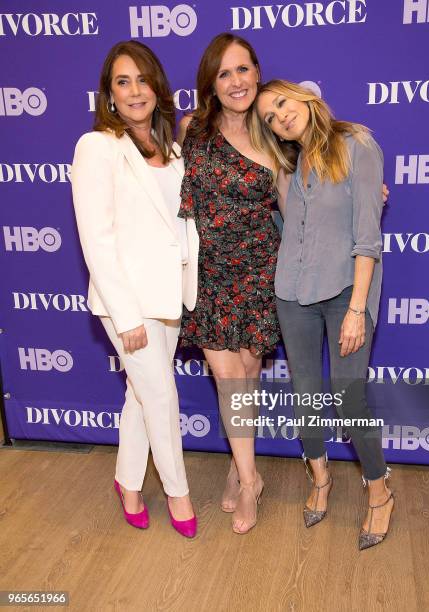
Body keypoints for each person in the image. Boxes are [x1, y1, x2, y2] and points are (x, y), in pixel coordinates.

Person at [252, 79, 394, 550]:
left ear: (305, 97)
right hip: (292, 293)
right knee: (306, 395)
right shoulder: (285, 167)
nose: (279, 117)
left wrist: (357, 308)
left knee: (348, 399)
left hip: (346, 293)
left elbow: (368, 237)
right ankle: (321, 479)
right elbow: (289, 227)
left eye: (281, 103)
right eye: (269, 117)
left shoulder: (358, 145)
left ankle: (379, 492)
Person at [71, 40, 198, 537]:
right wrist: (125, 317)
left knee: (140, 395)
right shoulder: (98, 147)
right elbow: (96, 239)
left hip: (170, 297)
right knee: (161, 395)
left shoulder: (173, 150)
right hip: (128, 302)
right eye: (123, 82)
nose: (135, 90)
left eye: (143, 79)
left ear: (157, 86)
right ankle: (178, 493)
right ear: (109, 94)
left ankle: (127, 482)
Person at [176, 33, 280, 534]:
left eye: (243, 70)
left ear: (257, 73)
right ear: (211, 84)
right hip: (209, 273)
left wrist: (363, 190)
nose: (236, 81)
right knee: (229, 378)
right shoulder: (192, 128)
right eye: (224, 73)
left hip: (261, 270)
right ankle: (250, 477)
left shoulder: (275, 132)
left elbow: (305, 198)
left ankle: (239, 465)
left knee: (248, 376)